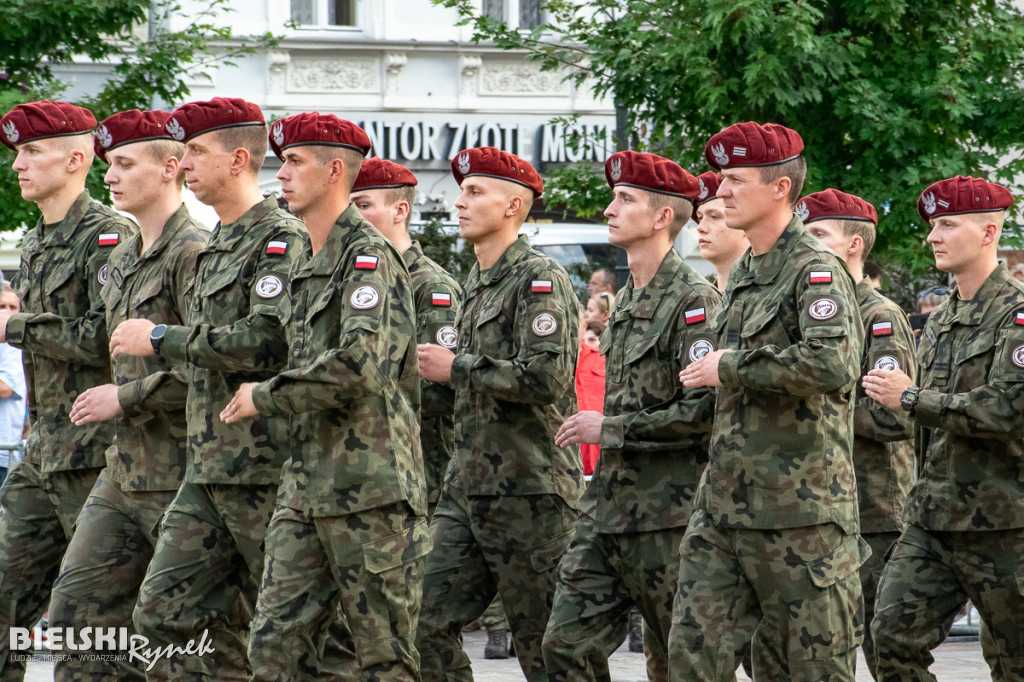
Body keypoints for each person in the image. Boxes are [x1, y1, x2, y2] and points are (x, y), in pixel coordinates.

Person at [107, 97, 311, 679]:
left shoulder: (279, 239)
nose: (186, 162)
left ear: (239, 159)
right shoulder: (218, 243)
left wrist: (163, 336)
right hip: (207, 467)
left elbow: (267, 339)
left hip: (263, 469)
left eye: (196, 151)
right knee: (161, 616)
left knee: (292, 635)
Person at [219, 113, 428, 680]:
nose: (279, 173)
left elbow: (361, 364)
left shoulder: (368, 257)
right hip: (306, 486)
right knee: (273, 649)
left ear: (336, 171)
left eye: (294, 162)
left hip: (370, 492)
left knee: (385, 658)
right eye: (281, 161)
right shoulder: (306, 261)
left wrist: (268, 395)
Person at [670, 121, 865, 681]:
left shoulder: (814, 269)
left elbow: (832, 363)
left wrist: (727, 366)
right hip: (726, 507)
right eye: (719, 180)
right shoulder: (746, 272)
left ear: (780, 189)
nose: (720, 191)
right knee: (691, 657)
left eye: (733, 180)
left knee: (808, 670)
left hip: (799, 514)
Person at [42, 109, 209, 679]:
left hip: (183, 472)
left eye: (123, 164)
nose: (108, 176)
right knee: (75, 615)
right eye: (108, 164)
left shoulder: (196, 254)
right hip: (123, 468)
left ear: (169, 168)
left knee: (182, 638)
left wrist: (128, 396)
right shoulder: (120, 258)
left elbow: (213, 365)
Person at [544, 151, 719, 681]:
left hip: (669, 517)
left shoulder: (695, 301)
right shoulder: (622, 303)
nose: (610, 209)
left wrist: (610, 429)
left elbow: (702, 411)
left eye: (626, 199)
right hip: (606, 514)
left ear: (663, 217)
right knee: (563, 645)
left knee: (680, 664)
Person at [415, 147, 583, 681]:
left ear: (513, 205)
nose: (458, 202)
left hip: (530, 491)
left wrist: (456, 366)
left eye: (473, 193)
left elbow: (547, 378)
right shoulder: (476, 282)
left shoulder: (539, 279)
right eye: (462, 192)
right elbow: (464, 394)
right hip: (467, 488)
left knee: (548, 647)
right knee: (421, 620)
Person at [864, 175, 1024, 681]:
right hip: (933, 519)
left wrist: (911, 396)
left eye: (948, 224)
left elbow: (1004, 409)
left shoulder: (1016, 316)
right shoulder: (942, 318)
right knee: (889, 638)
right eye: (933, 225)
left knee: (1014, 662)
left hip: (1005, 525)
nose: (933, 236)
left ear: (988, 233)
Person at [0, 100, 135, 679]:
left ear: (76, 158)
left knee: (93, 629)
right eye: (17, 154)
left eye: (32, 152)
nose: (18, 167)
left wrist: (15, 325)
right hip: (43, 450)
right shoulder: (33, 244)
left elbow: (113, 336)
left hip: (97, 457)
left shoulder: (110, 236)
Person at [796, 188, 917, 678]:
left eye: (819, 236)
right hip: (825, 505)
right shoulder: (812, 309)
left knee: (883, 649)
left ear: (853, 246)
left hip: (875, 507)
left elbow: (893, 416)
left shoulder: (877, 316)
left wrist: (814, 409)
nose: (806, 245)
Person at [349, 157, 461, 520]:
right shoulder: (353, 278)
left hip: (417, 471)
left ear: (400, 210)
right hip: (363, 469)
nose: (352, 217)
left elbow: (442, 388)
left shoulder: (431, 286)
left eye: (363, 206)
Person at [693, 171, 749, 291]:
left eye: (714, 217)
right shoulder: (699, 297)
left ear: (747, 222)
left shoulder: (776, 291)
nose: (700, 227)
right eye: (700, 217)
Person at [0, 284, 25, 487]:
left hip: (4, 453)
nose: (6, 311)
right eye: (1, 305)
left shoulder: (14, 344)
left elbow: (5, 387)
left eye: (12, 307)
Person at [575, 317, 606, 477]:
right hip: (562, 469)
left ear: (583, 324)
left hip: (604, 467)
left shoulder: (605, 358)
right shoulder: (544, 363)